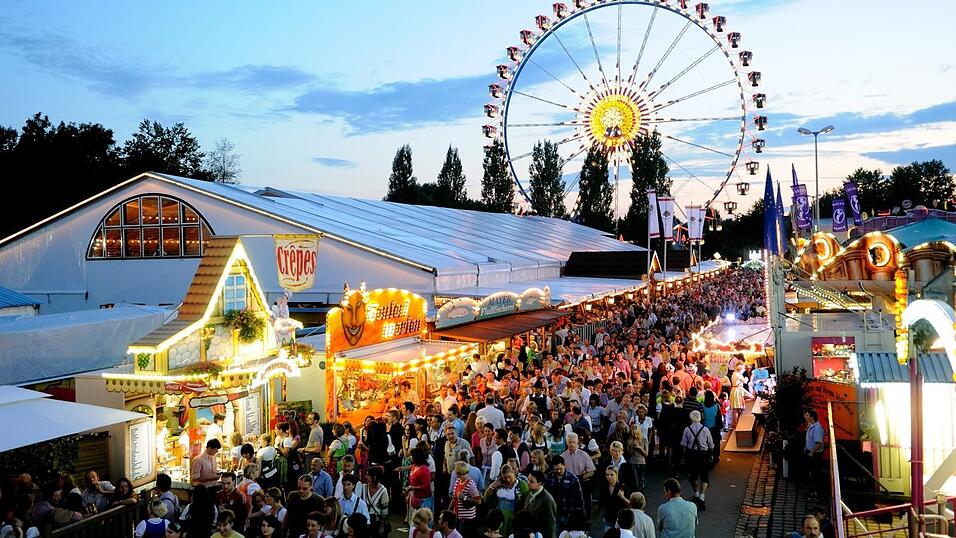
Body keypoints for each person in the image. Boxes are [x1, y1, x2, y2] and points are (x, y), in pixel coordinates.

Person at [679, 410, 714, 510]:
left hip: (692, 454)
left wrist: (683, 457)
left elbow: (684, 445)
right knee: (704, 476)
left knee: (693, 475)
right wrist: (710, 455)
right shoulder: (705, 429)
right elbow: (711, 445)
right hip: (703, 454)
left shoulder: (687, 429)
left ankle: (696, 492)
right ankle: (702, 495)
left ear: (691, 418)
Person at [482, 464, 528, 538]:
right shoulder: (498, 484)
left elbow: (526, 503)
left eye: (509, 477)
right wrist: (492, 487)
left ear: (513, 472)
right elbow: (486, 499)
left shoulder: (522, 485)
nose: (507, 480)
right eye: (504, 478)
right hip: (497, 518)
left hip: (512, 518)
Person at [544, 456, 583, 534]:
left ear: (564, 465)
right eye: (556, 469)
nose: (558, 471)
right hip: (553, 514)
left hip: (568, 515)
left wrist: (580, 516)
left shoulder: (573, 479)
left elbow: (579, 499)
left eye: (560, 469)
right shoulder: (548, 477)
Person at [520, 470, 556, 538]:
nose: (528, 483)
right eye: (528, 480)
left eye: (532, 481)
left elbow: (550, 527)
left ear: (540, 483)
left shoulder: (547, 500)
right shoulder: (528, 493)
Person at [448, 461, 480, 530]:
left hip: (467, 520)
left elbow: (478, 501)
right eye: (457, 473)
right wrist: (449, 510)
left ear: (465, 473)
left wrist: (464, 497)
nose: (457, 476)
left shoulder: (470, 484)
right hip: (457, 517)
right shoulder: (457, 481)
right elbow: (454, 498)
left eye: (459, 474)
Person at [804, 409, 825, 500]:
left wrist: (812, 452)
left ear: (812, 417)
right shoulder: (811, 426)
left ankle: (816, 492)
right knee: (810, 471)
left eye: (807, 415)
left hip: (815, 454)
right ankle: (812, 490)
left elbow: (819, 443)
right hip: (809, 451)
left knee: (815, 473)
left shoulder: (817, 428)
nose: (805, 417)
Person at [599, 468, 629, 533]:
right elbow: (601, 501)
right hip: (607, 518)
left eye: (611, 475)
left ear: (616, 475)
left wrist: (622, 497)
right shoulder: (604, 486)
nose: (609, 477)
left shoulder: (622, 488)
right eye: (607, 475)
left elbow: (629, 504)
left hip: (619, 520)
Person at [363, 466, 390, 538]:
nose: (366, 477)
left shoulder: (383, 491)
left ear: (374, 477)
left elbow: (384, 511)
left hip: (376, 522)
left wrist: (382, 526)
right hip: (365, 521)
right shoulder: (364, 487)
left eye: (368, 475)